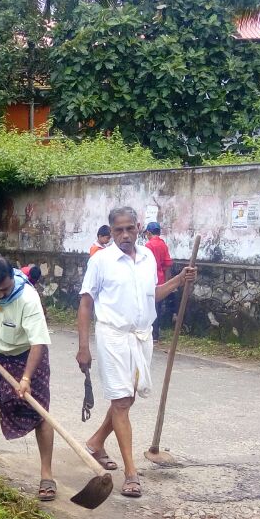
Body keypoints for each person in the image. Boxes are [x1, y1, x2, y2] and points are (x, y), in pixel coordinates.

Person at [78, 207, 196, 498]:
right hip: (113, 336)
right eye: (118, 230)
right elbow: (85, 303)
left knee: (127, 399)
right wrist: (83, 347)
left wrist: (179, 280)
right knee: (121, 402)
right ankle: (131, 473)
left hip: (142, 337)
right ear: (111, 231)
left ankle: (95, 443)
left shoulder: (147, 257)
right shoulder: (100, 260)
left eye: (129, 228)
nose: (125, 235)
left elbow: (151, 295)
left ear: (138, 228)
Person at [0, 258, 56, 500]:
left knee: (40, 412)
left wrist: (26, 378)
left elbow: (38, 343)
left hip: (29, 354)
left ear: (12, 279)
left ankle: (47, 475)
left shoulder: (28, 298)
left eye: (4, 289)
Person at [144, 221, 174, 339]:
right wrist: (167, 282)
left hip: (150, 279)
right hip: (161, 279)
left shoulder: (148, 246)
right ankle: (156, 333)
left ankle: (152, 333)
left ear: (149, 233)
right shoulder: (163, 245)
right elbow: (168, 264)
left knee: (150, 306)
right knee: (158, 306)